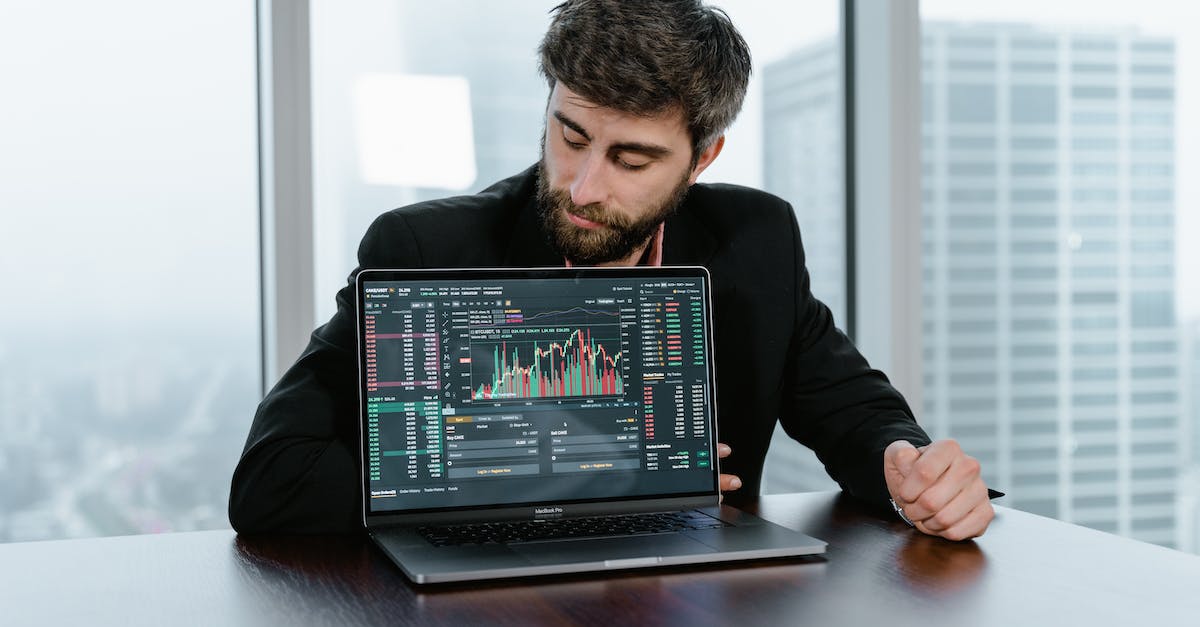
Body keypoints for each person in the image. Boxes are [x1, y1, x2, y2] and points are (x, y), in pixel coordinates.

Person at [230, 0, 995, 541]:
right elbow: (273, 480)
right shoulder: (426, 250)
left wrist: (907, 464)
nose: (582, 185)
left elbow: (856, 411)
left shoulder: (758, 238)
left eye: (631, 158)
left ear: (703, 157)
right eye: (569, 134)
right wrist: (579, 477)